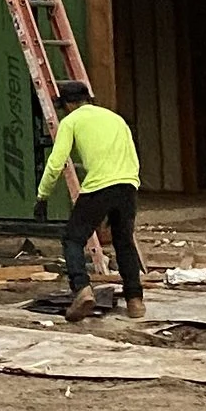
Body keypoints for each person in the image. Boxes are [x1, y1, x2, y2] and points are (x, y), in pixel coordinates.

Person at [38, 87, 144, 317]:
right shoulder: (116, 119)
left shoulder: (71, 121)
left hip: (98, 187)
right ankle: (135, 301)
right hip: (127, 185)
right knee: (124, 242)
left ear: (67, 105)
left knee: (73, 238)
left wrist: (42, 195)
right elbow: (132, 154)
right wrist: (131, 184)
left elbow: (57, 162)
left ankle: (82, 289)